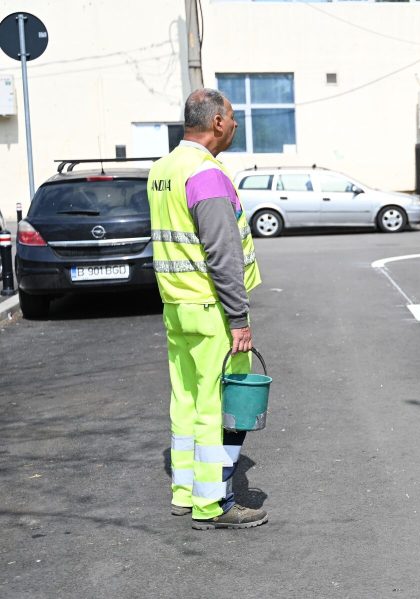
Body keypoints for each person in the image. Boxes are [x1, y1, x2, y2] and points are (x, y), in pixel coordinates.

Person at [148, 88, 268, 530]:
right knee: (218, 405)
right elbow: (222, 253)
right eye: (233, 117)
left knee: (185, 401)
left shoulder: (162, 169)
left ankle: (185, 493)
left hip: (176, 307)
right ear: (217, 122)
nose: (235, 124)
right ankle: (214, 503)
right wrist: (239, 319)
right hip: (212, 308)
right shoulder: (206, 173)